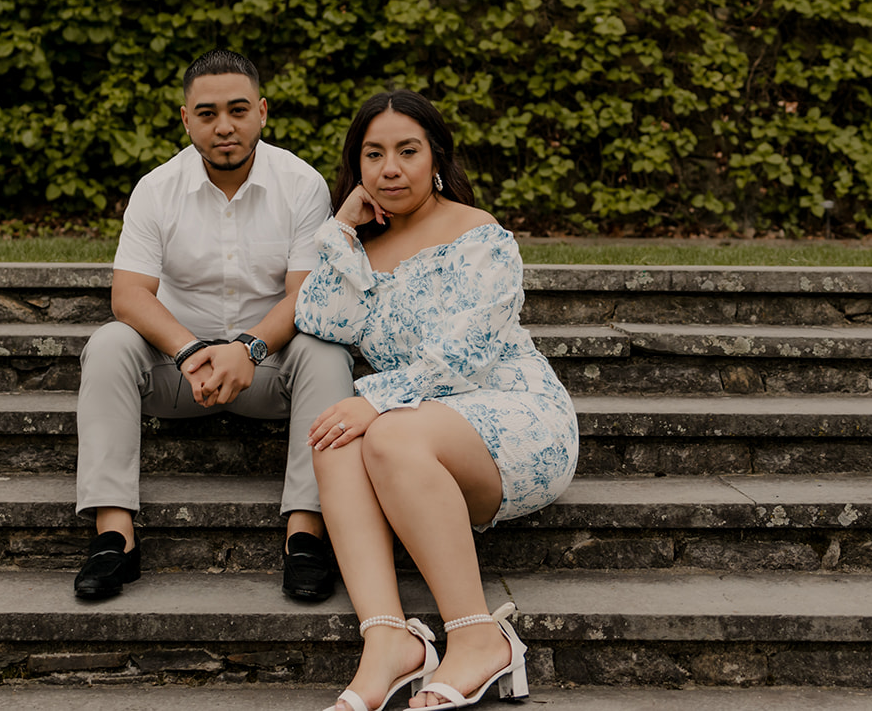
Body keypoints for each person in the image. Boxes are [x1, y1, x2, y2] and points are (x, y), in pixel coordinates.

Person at [295, 90, 579, 710]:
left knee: (382, 428)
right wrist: (343, 229)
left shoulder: (480, 233)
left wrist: (375, 402)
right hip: (418, 427)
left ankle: (478, 638)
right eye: (373, 155)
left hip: (513, 415)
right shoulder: (361, 249)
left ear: (436, 158)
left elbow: (469, 354)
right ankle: (388, 642)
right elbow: (319, 318)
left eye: (406, 151)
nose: (389, 168)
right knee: (334, 437)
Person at [74, 49, 356, 602]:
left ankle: (306, 536)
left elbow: (305, 295)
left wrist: (247, 350)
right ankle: (114, 536)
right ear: (186, 119)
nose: (224, 126)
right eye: (206, 114)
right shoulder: (156, 190)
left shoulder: (301, 184)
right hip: (180, 372)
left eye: (238, 110)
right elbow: (128, 295)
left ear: (262, 112)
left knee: (327, 354)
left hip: (269, 370)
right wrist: (188, 351)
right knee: (108, 345)